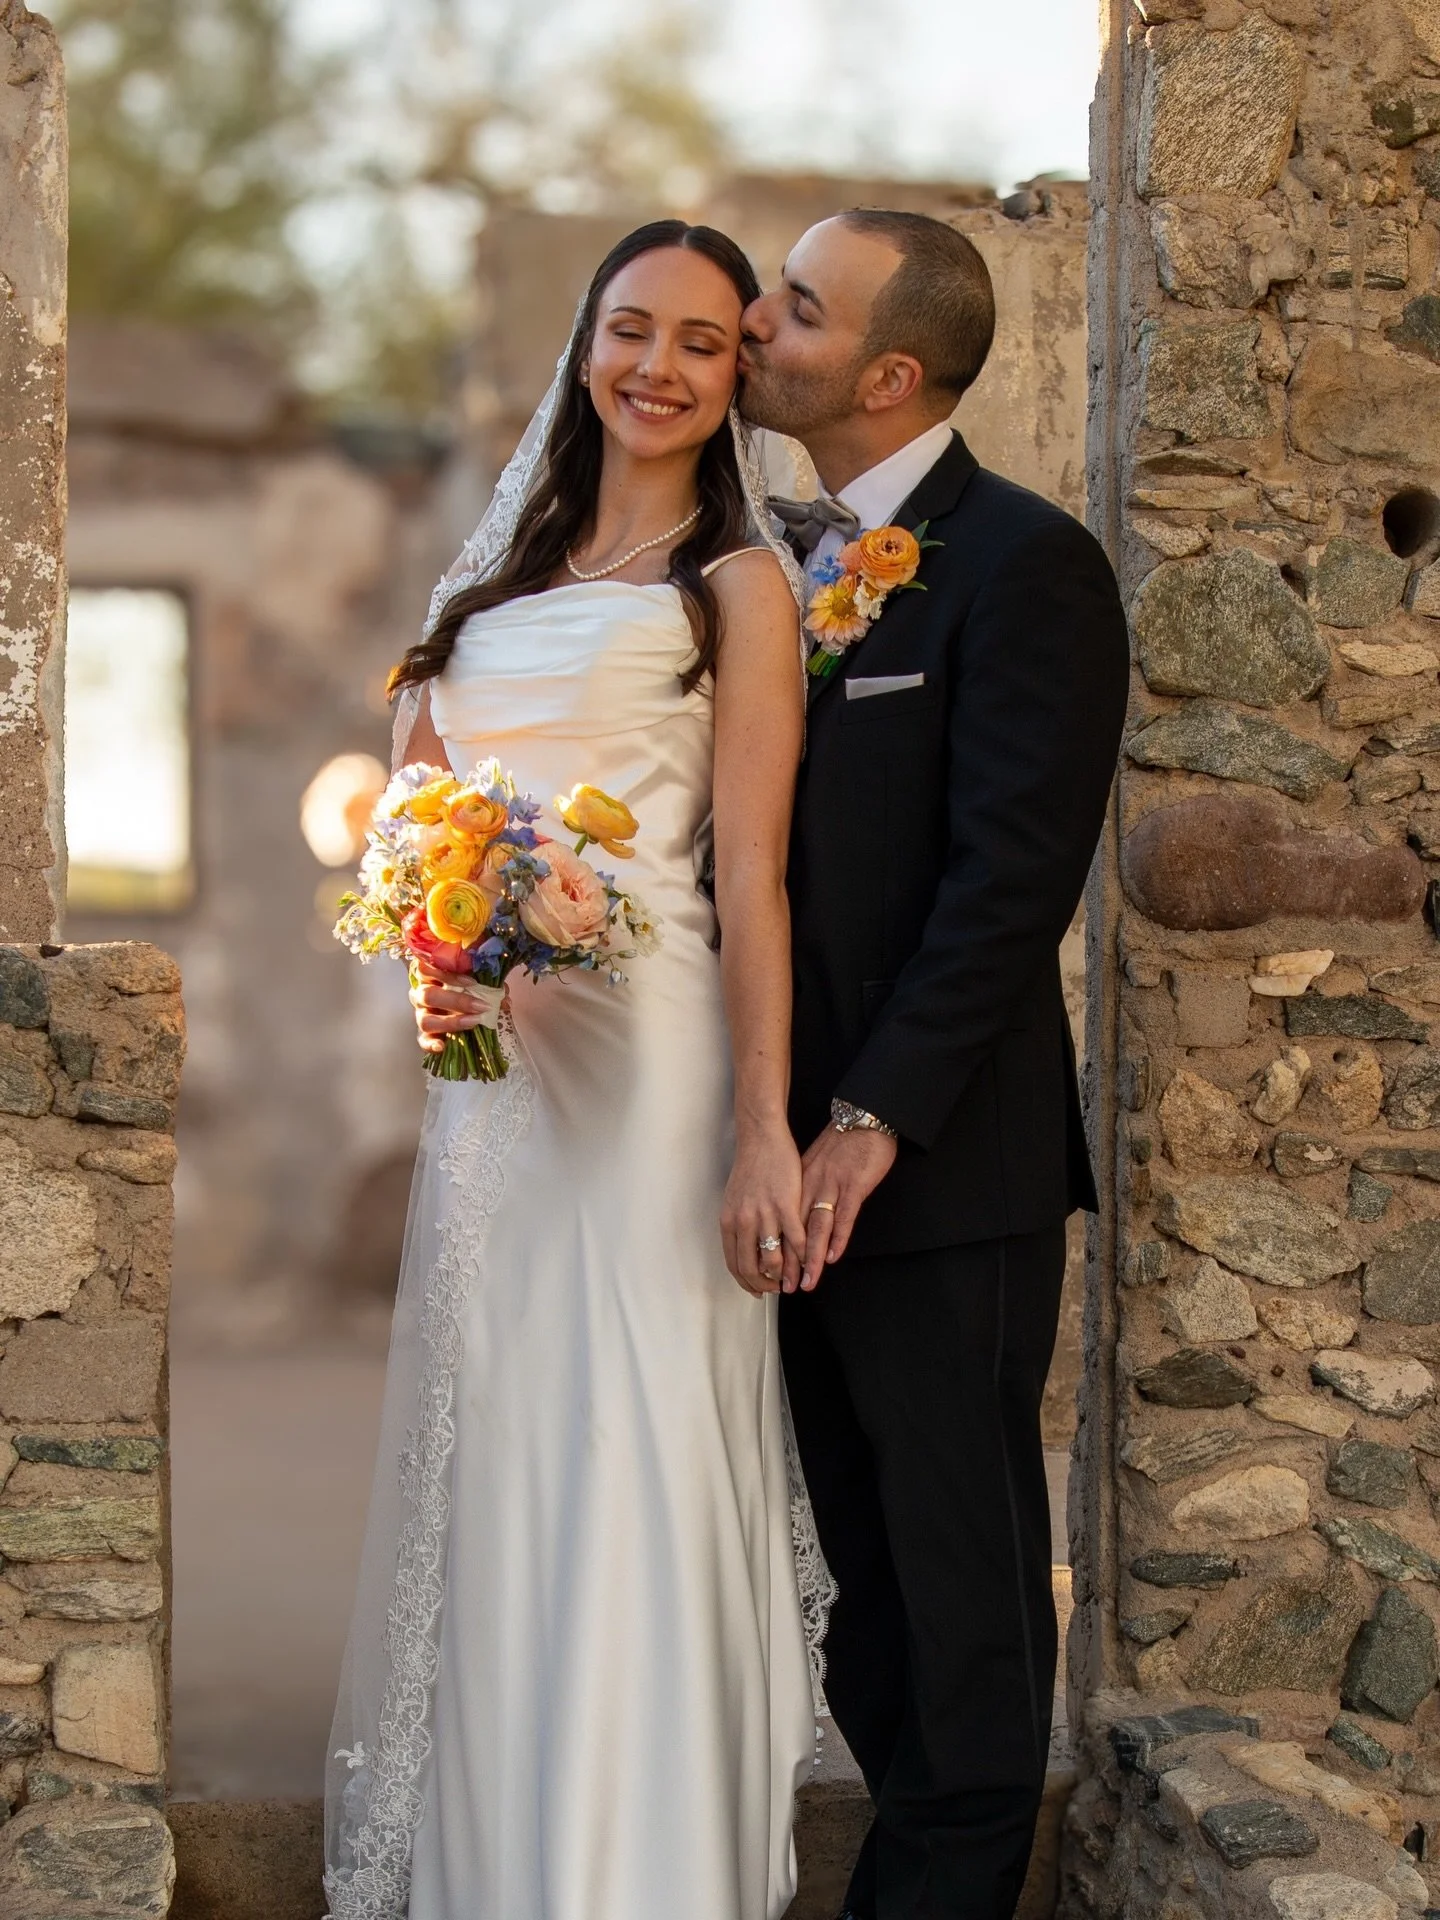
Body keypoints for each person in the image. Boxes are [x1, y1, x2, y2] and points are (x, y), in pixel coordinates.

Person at [323, 221, 825, 1920]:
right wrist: (435, 960)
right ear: (586, 343)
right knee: (516, 1444)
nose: (660, 366)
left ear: (736, 373)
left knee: (633, 1438)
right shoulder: (488, 596)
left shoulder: (738, 591)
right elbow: (411, 820)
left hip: (659, 1071)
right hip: (507, 1080)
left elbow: (749, 874)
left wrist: (763, 1127)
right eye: (631, 328)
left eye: (702, 339)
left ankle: (646, 1867)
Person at [740, 210, 1130, 1920]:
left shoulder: (1023, 563)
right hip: (786, 1166)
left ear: (890, 373)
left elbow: (1007, 886)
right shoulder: (772, 563)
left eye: (796, 307)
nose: (759, 323)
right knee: (871, 1592)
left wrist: (869, 1118)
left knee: (962, 1585)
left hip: (936, 1173)